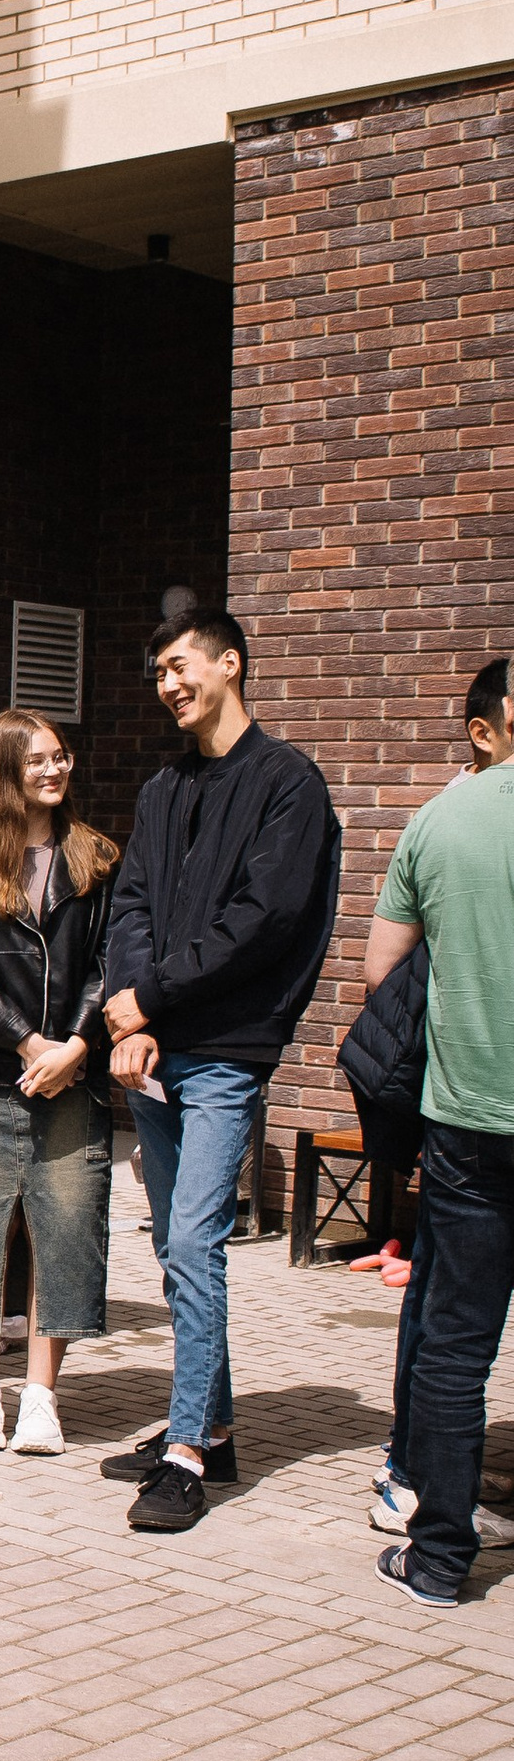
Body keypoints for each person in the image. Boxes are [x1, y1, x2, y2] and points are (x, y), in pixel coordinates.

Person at [100, 610, 342, 1533]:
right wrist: (131, 1014)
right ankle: (216, 1424)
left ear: (230, 663)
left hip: (225, 1055)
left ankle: (188, 1456)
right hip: (157, 1050)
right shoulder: (163, 788)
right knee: (173, 1247)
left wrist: (149, 1000)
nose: (167, 684)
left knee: (196, 1244)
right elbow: (132, 906)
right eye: (157, 671)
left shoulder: (289, 786)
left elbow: (264, 920)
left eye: (179, 665)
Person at [0, 713, 119, 1456]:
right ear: (5, 769)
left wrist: (75, 1044)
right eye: (36, 759)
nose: (52, 770)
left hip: (73, 1079)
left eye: (61, 756)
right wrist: (28, 1039)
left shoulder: (96, 857)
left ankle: (40, 1396)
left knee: (66, 1229)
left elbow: (111, 959)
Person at [362, 655, 514, 1606]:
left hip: (469, 1121)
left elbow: (384, 978)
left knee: (457, 1343)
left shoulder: (442, 818)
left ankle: (440, 1557)